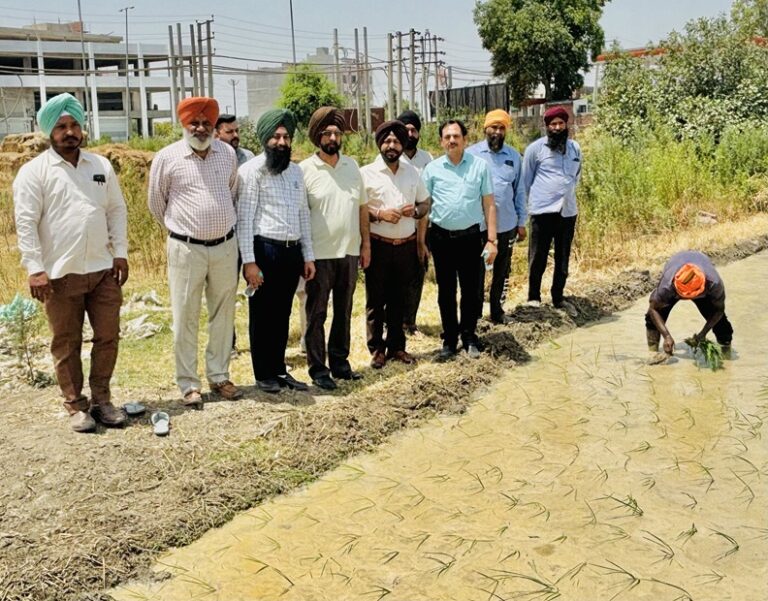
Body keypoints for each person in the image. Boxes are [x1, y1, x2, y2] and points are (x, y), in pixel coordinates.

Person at [13, 93, 128, 432]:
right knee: (66, 342)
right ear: (49, 131)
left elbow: (116, 210)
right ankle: (76, 405)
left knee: (108, 336)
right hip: (59, 274)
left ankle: (102, 400)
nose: (69, 132)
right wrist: (35, 268)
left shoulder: (100, 166)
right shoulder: (35, 172)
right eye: (62, 126)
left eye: (75, 125)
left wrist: (120, 252)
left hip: (103, 269)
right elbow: (26, 223)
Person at [148, 97, 242, 408]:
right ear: (184, 125)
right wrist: (185, 229)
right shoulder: (167, 157)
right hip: (186, 248)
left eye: (206, 123)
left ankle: (219, 375)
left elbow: (232, 191)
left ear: (214, 127)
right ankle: (189, 383)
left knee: (223, 314)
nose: (201, 128)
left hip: (225, 246)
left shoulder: (227, 154)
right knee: (185, 315)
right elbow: (156, 204)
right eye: (195, 123)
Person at [237, 109, 316, 393]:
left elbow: (303, 215)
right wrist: (249, 263)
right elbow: (244, 220)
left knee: (282, 314)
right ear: (264, 139)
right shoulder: (250, 172)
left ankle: (280, 370)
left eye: (286, 137)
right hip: (264, 250)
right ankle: (263, 374)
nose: (282, 142)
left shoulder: (295, 172)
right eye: (276, 137)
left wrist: (308, 255)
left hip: (291, 252)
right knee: (263, 314)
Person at [300, 107, 370, 390]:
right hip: (318, 256)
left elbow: (363, 208)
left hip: (349, 252)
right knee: (317, 313)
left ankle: (340, 363)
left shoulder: (352, 167)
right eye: (327, 133)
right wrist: (305, 255)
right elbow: (300, 215)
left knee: (344, 310)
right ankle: (318, 369)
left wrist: (366, 245)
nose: (332, 137)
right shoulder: (304, 170)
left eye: (337, 133)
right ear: (318, 136)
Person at [422, 119, 497, 360]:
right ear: (441, 141)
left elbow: (489, 204)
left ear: (465, 139)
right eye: (447, 137)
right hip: (441, 238)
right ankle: (450, 339)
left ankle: (469, 336)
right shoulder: (432, 169)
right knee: (446, 291)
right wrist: (421, 240)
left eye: (456, 136)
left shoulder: (479, 166)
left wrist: (492, 239)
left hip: (471, 238)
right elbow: (426, 206)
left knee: (471, 291)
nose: (452, 140)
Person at [361, 120, 430, 369]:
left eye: (397, 141)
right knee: (376, 301)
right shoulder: (366, 173)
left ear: (402, 145)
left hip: (406, 246)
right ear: (380, 143)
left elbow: (426, 203)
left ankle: (397, 347)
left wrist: (417, 211)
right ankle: (377, 350)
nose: (392, 145)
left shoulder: (413, 172)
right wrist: (379, 214)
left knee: (399, 299)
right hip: (379, 246)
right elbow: (358, 210)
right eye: (387, 141)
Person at [468, 109, 527, 324]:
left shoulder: (513, 156)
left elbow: (520, 190)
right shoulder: (471, 155)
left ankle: (497, 311)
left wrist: (522, 222)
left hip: (507, 224)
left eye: (502, 128)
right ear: (485, 129)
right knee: (477, 272)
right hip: (478, 226)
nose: (497, 131)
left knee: (502, 271)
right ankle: (474, 314)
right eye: (494, 127)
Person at [522, 106, 581, 316]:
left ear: (566, 125)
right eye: (552, 124)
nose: (557, 128)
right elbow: (525, 183)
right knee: (538, 256)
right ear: (547, 127)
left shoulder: (575, 149)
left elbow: (576, 178)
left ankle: (558, 297)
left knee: (563, 258)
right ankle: (534, 298)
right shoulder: (535, 150)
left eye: (560, 124)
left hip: (567, 212)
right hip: (542, 212)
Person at [646, 250, 733, 357]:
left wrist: (703, 333)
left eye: (692, 296)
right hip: (675, 265)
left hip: (702, 272)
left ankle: (726, 352)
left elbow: (719, 310)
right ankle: (652, 353)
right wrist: (667, 336)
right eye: (685, 296)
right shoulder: (667, 286)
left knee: (721, 324)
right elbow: (653, 309)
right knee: (652, 319)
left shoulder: (714, 284)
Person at [397, 110, 433, 334]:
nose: (410, 133)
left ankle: (410, 322)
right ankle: (391, 323)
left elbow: (429, 196)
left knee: (417, 275)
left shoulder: (427, 159)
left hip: (423, 226)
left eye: (414, 129)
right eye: (406, 129)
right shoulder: (390, 153)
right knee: (395, 280)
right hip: (395, 229)